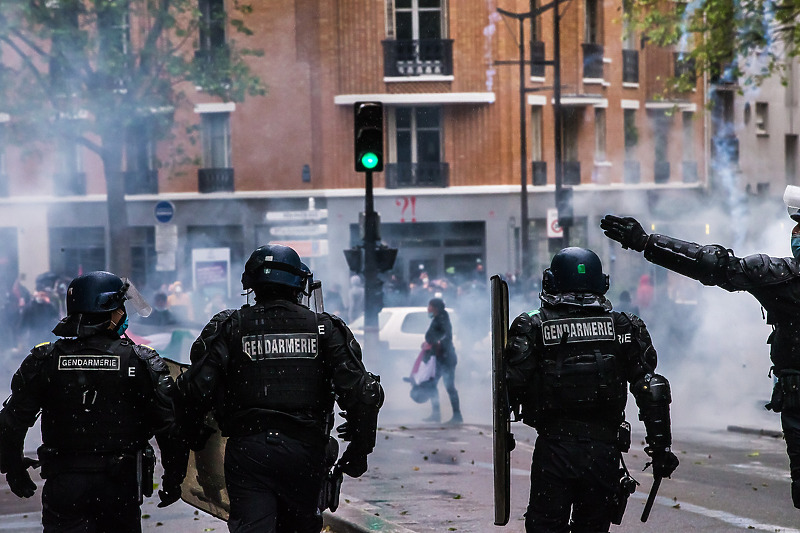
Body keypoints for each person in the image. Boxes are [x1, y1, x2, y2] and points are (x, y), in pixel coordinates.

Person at [601, 202, 800, 509]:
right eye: (796, 227)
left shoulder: (784, 278)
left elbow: (713, 265)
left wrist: (646, 242)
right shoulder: (783, 277)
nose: (796, 234)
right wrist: (647, 243)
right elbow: (713, 264)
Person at [174, 244, 384, 532]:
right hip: (305, 452)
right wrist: (358, 451)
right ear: (299, 284)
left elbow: (192, 390)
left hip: (248, 452)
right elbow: (365, 394)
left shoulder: (230, 327)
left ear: (251, 284)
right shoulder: (323, 328)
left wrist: (195, 436)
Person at [0, 271, 188, 532]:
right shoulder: (140, 361)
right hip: (119, 487)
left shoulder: (44, 360)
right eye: (120, 309)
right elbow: (169, 428)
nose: (123, 314)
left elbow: (12, 421)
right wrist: (174, 477)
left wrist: (13, 467)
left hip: (64, 484)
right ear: (109, 312)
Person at [505, 247, 679, 531]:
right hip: (603, 451)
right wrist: (661, 449)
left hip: (555, 448)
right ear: (602, 282)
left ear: (552, 280)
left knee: (545, 527)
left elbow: (512, 384)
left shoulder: (533, 324)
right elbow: (651, 387)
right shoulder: (624, 326)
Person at [422, 297, 462, 425]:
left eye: (430, 306)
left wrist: (438, 342)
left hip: (446, 358)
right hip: (439, 358)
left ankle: (457, 415)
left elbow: (446, 335)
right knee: (432, 384)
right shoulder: (438, 318)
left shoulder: (442, 318)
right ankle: (436, 414)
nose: (428, 309)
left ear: (435, 308)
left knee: (449, 386)